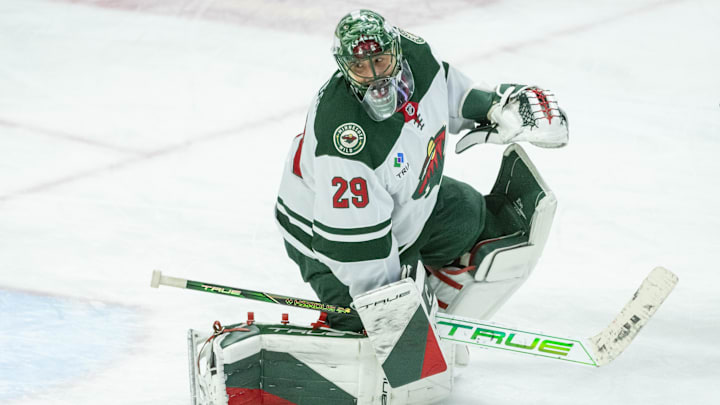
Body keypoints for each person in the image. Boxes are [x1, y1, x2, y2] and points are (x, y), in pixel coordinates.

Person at [274, 9, 567, 332]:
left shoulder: (417, 57)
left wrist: (495, 105)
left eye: (381, 61)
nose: (375, 76)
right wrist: (392, 307)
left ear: (396, 51)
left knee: (466, 212)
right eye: (359, 67)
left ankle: (432, 289)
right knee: (377, 330)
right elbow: (355, 247)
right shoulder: (346, 142)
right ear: (345, 69)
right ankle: (350, 328)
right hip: (328, 243)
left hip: (397, 209)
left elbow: (448, 92)